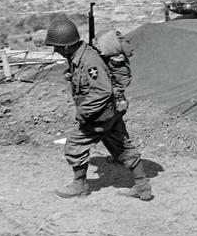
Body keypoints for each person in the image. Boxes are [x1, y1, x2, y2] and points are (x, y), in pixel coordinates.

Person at [45, 18, 153, 201]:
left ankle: (80, 186)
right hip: (110, 112)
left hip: (99, 116)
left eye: (56, 46)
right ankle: (143, 187)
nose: (54, 50)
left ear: (65, 46)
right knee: (123, 148)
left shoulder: (89, 61)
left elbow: (103, 90)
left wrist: (84, 112)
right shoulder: (79, 57)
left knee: (74, 146)